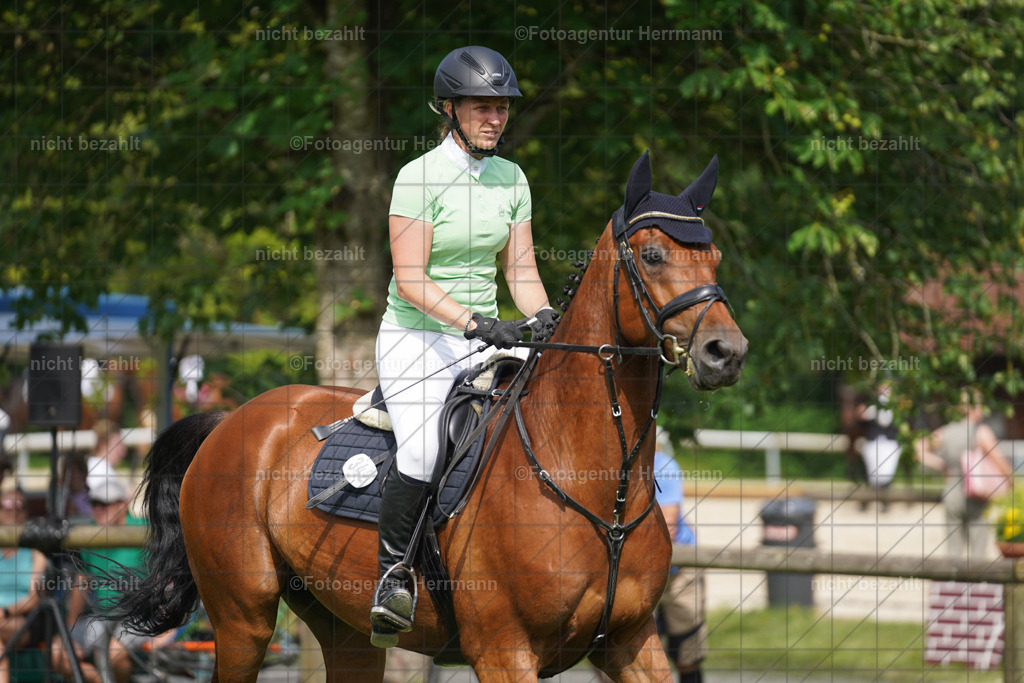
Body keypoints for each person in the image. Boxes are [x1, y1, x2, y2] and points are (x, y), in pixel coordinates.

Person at [369, 45, 558, 647]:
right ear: (449, 109)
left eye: (502, 108)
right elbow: (410, 279)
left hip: (486, 335)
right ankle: (393, 577)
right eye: (483, 107)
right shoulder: (417, 176)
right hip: (418, 335)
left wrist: (545, 316)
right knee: (424, 450)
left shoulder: (513, 178)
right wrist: (475, 322)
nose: (495, 119)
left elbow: (520, 271)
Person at [51, 477, 175, 682]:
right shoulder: (88, 533)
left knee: (111, 653)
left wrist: (167, 626)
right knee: (57, 650)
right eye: (95, 504)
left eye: (105, 504)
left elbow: (168, 579)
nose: (99, 509)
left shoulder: (146, 529)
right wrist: (70, 628)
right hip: (103, 618)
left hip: (141, 616)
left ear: (121, 504)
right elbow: (82, 582)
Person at [915, 390, 1013, 560]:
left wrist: (942, 465)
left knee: (953, 551)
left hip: (952, 494)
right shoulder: (980, 431)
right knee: (978, 551)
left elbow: (919, 447)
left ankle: (953, 577)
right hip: (976, 496)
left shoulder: (946, 431)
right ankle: (975, 578)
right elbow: (1000, 461)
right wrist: (1012, 482)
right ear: (973, 407)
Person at [652, 428, 706, 683]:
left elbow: (668, 526)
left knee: (687, 653)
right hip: (641, 568)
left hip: (678, 570)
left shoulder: (662, 466)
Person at [0, 488, 48, 683]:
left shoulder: (35, 550)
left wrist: (5, 611)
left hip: (25, 619)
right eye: (7, 505)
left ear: (26, 512)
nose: (13, 510)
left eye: (19, 505)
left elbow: (35, 598)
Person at [856, 382, 901, 509]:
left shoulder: (896, 404)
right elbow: (861, 415)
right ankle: (869, 499)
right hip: (874, 441)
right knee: (872, 470)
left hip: (889, 442)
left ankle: (884, 501)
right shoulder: (873, 404)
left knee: (887, 471)